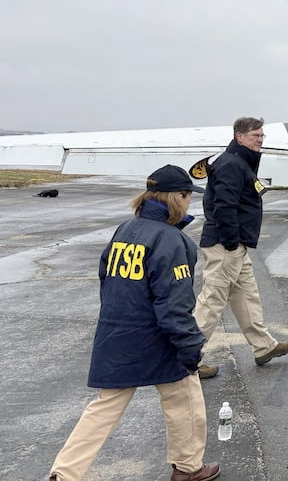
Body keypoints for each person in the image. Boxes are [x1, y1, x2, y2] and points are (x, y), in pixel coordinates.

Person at [48, 166, 220, 481]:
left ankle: (64, 473)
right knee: (184, 395)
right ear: (176, 198)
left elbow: (106, 280)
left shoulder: (125, 230)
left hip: (115, 332)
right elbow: (175, 305)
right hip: (156, 338)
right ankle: (187, 467)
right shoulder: (173, 241)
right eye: (187, 196)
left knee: (104, 408)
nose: (190, 202)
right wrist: (191, 349)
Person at [194, 117, 288, 379]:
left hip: (236, 246)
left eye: (261, 136)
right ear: (239, 137)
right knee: (212, 301)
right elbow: (223, 206)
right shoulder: (231, 165)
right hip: (225, 245)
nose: (259, 140)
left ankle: (264, 347)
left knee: (247, 296)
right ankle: (186, 358)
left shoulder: (240, 162)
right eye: (254, 136)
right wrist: (230, 241)